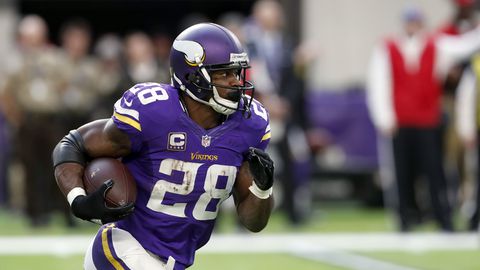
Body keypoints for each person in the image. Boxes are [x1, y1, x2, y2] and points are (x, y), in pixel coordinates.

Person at [52, 23, 274, 270]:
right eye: (223, 73)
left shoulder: (249, 124)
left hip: (175, 261)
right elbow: (73, 144)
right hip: (123, 246)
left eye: (236, 72)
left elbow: (253, 223)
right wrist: (77, 200)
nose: (235, 82)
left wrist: (263, 190)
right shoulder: (152, 111)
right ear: (193, 75)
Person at [366, 6, 480, 232]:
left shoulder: (435, 45)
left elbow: (463, 46)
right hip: (401, 120)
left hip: (427, 120)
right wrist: (384, 117)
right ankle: (405, 218)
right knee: (402, 173)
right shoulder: (387, 47)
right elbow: (379, 84)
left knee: (434, 172)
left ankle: (443, 219)